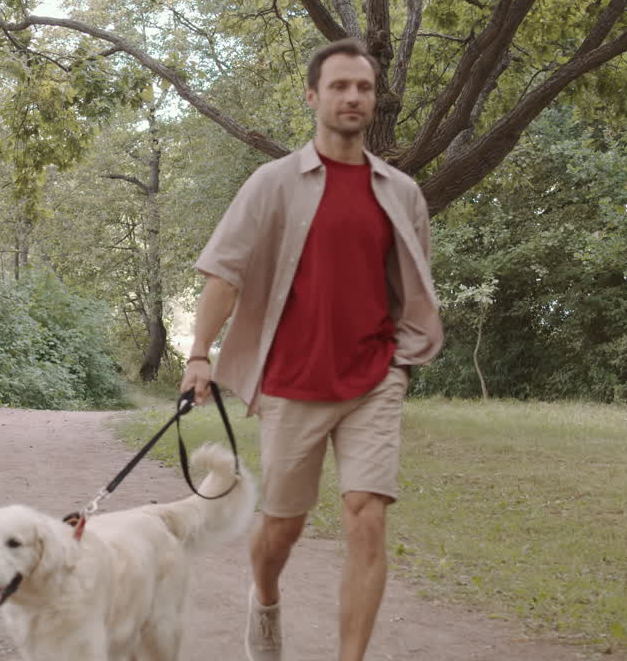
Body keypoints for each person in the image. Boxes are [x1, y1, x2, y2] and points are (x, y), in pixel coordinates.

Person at [180, 37, 443, 661]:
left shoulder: (401, 192)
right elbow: (225, 272)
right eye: (340, 86)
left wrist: (401, 361)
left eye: (364, 88)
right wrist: (198, 355)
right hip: (293, 382)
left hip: (374, 376)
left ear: (374, 99)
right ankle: (265, 600)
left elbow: (414, 284)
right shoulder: (273, 184)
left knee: (366, 515)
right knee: (281, 530)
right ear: (313, 96)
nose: (353, 97)